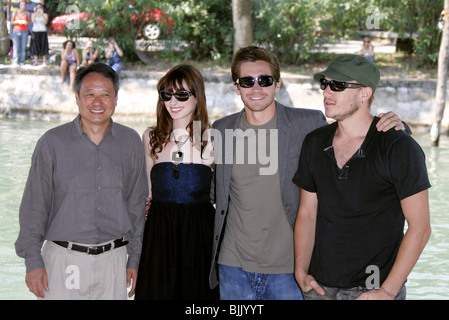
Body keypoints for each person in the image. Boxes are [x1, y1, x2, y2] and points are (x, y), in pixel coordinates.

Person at [208, 46, 406, 300]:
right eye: (247, 81)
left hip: (291, 271)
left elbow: (354, 129)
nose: (256, 88)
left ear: (277, 85)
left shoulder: (308, 124)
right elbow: (215, 191)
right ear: (237, 87)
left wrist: (397, 126)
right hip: (232, 267)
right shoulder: (222, 130)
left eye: (265, 80)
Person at [293, 54, 431, 300]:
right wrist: (301, 271)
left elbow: (420, 228)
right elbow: (307, 213)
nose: (327, 92)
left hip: (374, 290)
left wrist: (387, 291)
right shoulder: (314, 142)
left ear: (365, 93)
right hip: (319, 289)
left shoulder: (399, 147)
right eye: (325, 83)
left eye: (338, 85)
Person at [15, 62, 148, 300]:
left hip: (114, 261)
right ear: (77, 97)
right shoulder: (51, 143)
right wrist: (33, 260)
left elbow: (136, 207)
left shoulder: (130, 142)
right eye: (90, 94)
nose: (98, 103)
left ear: (116, 98)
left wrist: (135, 259)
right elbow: (34, 207)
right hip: (62, 260)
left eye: (105, 95)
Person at [135, 64, 217, 300]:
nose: (173, 101)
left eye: (182, 94)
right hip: (159, 237)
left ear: (197, 97)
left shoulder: (213, 138)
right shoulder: (150, 137)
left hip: (200, 238)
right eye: (166, 95)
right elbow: (146, 195)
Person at [11, 0, 29, 67]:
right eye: (21, 5)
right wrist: (18, 21)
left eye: (24, 5)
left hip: (24, 31)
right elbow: (12, 22)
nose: (23, 6)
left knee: (23, 46)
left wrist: (26, 22)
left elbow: (29, 23)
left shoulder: (27, 13)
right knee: (16, 46)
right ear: (19, 5)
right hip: (16, 30)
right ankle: (15, 61)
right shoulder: (15, 12)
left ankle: (22, 61)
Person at [30, 2, 48, 66]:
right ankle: (36, 61)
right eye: (37, 8)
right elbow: (33, 21)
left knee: (44, 45)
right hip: (35, 31)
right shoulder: (33, 14)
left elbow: (45, 22)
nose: (39, 9)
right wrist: (35, 13)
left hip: (43, 31)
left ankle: (44, 61)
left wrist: (42, 14)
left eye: (40, 8)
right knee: (35, 46)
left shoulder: (45, 15)